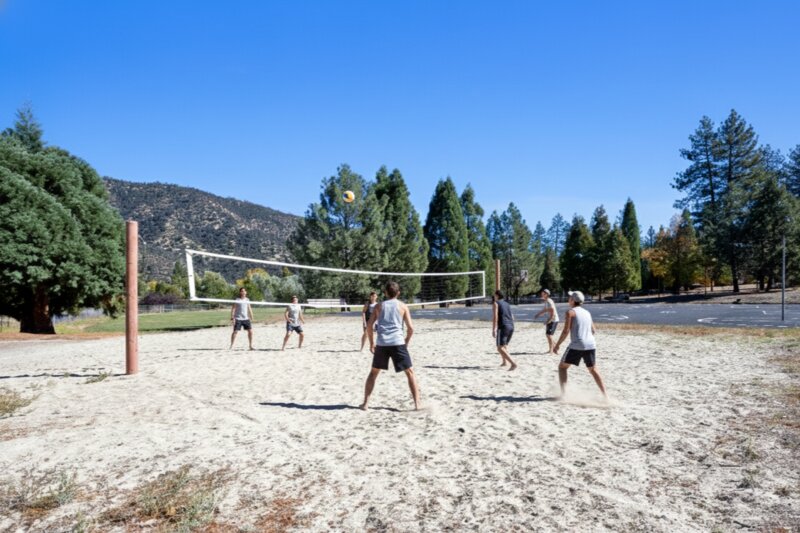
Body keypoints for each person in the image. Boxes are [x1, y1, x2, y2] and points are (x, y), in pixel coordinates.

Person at [360, 281, 421, 411]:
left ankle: (365, 403)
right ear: (398, 293)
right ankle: (417, 404)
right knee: (410, 373)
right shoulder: (403, 306)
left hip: (382, 343)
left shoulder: (379, 306)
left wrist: (371, 343)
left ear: (385, 293)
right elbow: (411, 329)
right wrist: (406, 342)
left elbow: (369, 327)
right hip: (398, 343)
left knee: (373, 373)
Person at [553, 290, 607, 398]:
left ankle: (563, 395)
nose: (568, 299)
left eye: (570, 298)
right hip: (591, 344)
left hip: (577, 344)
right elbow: (593, 330)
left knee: (562, 367)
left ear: (573, 300)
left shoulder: (570, 312)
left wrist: (557, 344)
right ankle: (605, 396)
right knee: (593, 369)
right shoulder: (587, 313)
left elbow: (565, 331)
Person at [492, 290, 517, 371]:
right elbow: (512, 316)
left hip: (503, 326)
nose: (494, 297)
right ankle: (504, 362)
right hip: (511, 326)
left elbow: (495, 317)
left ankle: (513, 364)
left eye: (494, 295)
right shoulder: (507, 304)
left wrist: (494, 329)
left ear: (497, 296)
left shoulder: (496, 303)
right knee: (504, 345)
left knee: (500, 348)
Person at [534, 288, 559, 355]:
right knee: (548, 335)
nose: (542, 294)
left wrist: (549, 320)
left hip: (554, 319)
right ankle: (555, 347)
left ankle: (552, 350)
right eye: (542, 293)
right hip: (550, 319)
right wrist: (538, 314)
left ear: (547, 294)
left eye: (544, 293)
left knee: (549, 335)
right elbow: (545, 310)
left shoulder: (549, 301)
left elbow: (553, 311)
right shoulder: (546, 301)